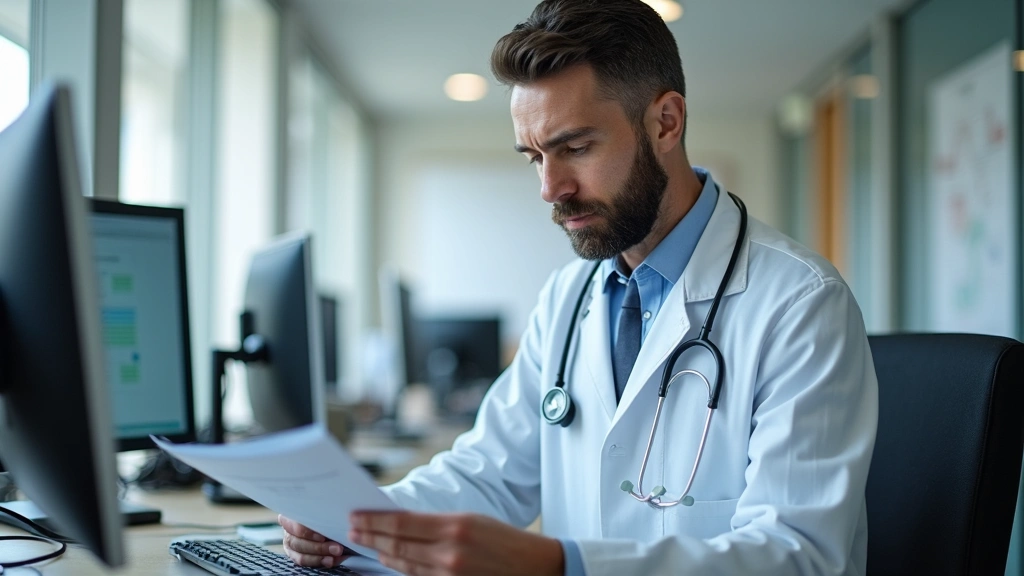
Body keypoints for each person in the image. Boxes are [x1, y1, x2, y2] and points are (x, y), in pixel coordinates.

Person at [281, 0, 878, 574]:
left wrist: (562, 565)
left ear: (666, 122)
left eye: (576, 147)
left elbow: (799, 556)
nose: (550, 187)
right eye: (535, 157)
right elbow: (488, 473)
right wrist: (355, 521)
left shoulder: (801, 303)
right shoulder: (569, 298)